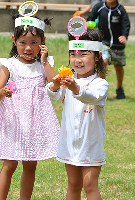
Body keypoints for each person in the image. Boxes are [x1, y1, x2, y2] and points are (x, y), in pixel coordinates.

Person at [0, 8, 60, 200]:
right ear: (14, 41)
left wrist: (45, 62)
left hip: (34, 125)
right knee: (9, 164)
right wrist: (2, 91)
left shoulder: (43, 65)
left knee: (30, 165)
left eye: (34, 43)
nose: (28, 48)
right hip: (13, 124)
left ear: (42, 43)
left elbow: (56, 83)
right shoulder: (9, 65)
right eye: (23, 43)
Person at [46, 28, 108, 200]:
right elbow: (53, 94)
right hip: (69, 143)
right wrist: (55, 84)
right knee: (73, 185)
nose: (77, 60)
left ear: (97, 57)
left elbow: (92, 97)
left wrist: (74, 87)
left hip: (90, 144)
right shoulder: (68, 80)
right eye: (73, 54)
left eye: (83, 55)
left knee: (89, 185)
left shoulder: (99, 84)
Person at [87, 0, 130, 99]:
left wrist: (124, 36)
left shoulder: (120, 10)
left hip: (117, 44)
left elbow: (126, 24)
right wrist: (90, 26)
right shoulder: (99, 7)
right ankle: (101, 89)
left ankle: (119, 88)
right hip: (103, 41)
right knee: (103, 61)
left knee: (118, 66)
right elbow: (90, 18)